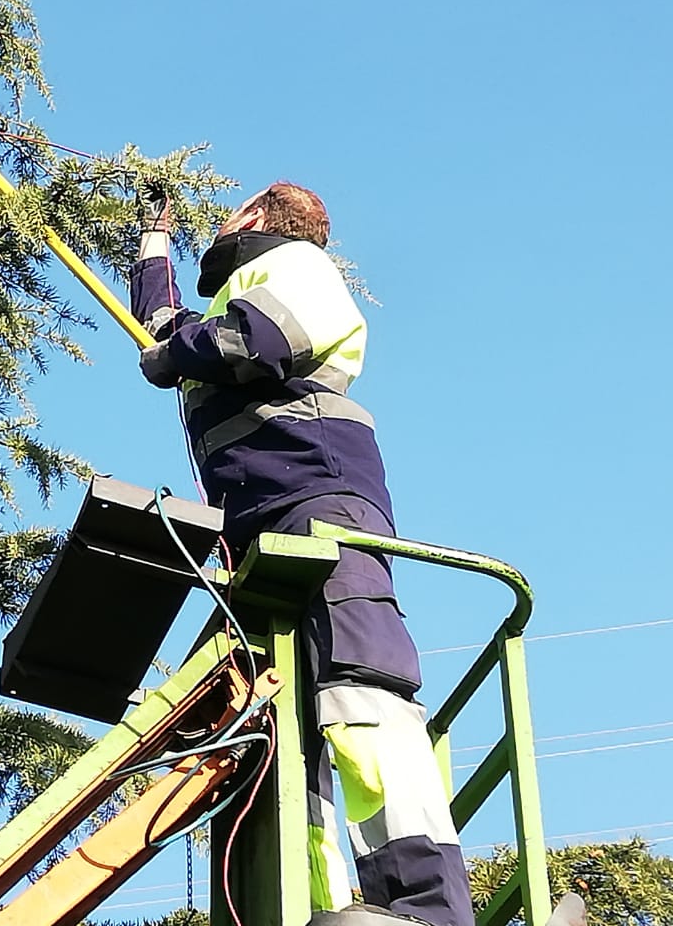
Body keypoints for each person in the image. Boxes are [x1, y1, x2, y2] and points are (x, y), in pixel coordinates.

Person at [130, 182, 473, 926]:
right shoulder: (233, 298)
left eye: (230, 210)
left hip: (318, 507)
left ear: (255, 217)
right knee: (287, 734)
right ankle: (313, 909)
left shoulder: (293, 265)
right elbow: (163, 328)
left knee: (363, 691)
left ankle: (427, 906)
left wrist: (173, 355)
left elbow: (254, 341)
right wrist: (150, 238)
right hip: (259, 531)